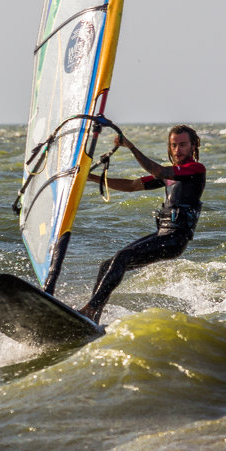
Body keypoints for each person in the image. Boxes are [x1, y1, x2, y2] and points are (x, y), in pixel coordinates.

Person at [76, 124, 206, 323]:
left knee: (123, 256)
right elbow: (131, 186)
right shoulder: (170, 176)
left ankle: (90, 310)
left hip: (175, 238)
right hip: (163, 235)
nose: (178, 150)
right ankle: (93, 319)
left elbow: (159, 170)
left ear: (193, 146)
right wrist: (91, 178)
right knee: (107, 265)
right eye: (174, 145)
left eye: (182, 145)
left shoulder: (195, 170)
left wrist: (131, 147)